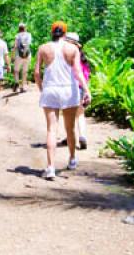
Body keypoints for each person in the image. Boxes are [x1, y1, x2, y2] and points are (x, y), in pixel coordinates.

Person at [34, 21, 91, 180]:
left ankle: (50, 167)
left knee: (51, 129)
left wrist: (41, 89)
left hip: (50, 89)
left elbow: (37, 73)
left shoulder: (43, 48)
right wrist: (87, 90)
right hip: (69, 90)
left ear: (52, 32)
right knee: (70, 128)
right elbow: (78, 73)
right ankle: (72, 159)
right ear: (65, 34)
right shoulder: (72, 49)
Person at [65, 32, 91, 149]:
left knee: (68, 114)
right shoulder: (83, 57)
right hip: (81, 88)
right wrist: (86, 90)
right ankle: (83, 136)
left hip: (68, 88)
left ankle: (70, 137)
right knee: (80, 114)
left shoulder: (65, 56)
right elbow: (86, 75)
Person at [12, 22, 33, 92]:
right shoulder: (29, 35)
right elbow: (28, 44)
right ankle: (23, 87)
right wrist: (24, 53)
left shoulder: (17, 35)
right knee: (25, 71)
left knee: (16, 71)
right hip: (27, 55)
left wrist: (12, 56)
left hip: (19, 56)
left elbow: (15, 46)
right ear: (25, 28)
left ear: (19, 28)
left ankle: (17, 83)